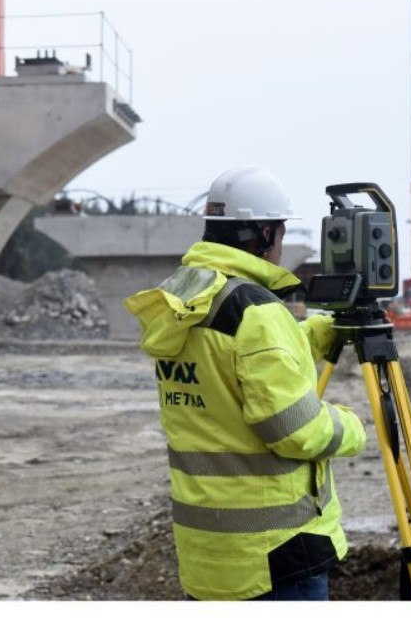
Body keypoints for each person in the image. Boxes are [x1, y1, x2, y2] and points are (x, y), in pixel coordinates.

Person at [123, 166, 367, 601]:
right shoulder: (257, 311)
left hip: (210, 555)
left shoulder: (185, 297)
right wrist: (353, 428)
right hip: (276, 555)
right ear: (266, 233)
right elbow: (295, 429)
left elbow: (230, 369)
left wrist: (314, 334)